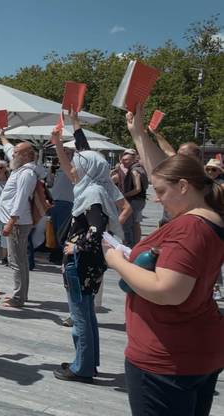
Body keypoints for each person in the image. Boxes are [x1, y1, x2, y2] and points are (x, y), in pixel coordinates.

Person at [103, 105, 224, 415]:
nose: (157, 198)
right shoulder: (207, 216)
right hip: (194, 349)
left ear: (184, 187)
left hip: (168, 356)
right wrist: (139, 134)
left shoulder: (189, 227)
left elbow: (168, 290)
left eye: (160, 192)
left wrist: (118, 261)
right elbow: (166, 174)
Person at [50, 115, 130, 384]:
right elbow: (85, 153)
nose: (73, 166)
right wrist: (73, 125)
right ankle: (87, 361)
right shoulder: (98, 186)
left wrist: (75, 246)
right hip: (89, 265)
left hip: (80, 264)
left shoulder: (92, 193)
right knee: (86, 314)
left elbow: (96, 230)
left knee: (80, 316)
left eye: (77, 163)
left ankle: (82, 368)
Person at [0, 141, 37, 308]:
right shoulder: (19, 168)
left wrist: (10, 223)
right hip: (17, 222)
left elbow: (20, 199)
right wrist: (2, 137)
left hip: (17, 223)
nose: (12, 154)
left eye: (16, 153)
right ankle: (22, 294)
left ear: (26, 156)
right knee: (21, 261)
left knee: (16, 261)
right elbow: (9, 149)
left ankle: (18, 297)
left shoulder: (26, 174)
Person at [119, 149, 147, 246]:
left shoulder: (134, 170)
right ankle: (136, 244)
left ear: (133, 160)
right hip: (140, 200)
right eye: (123, 160)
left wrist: (124, 195)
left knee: (127, 224)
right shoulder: (140, 168)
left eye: (126, 160)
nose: (123, 161)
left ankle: (129, 245)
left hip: (134, 201)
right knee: (135, 223)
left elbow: (137, 188)